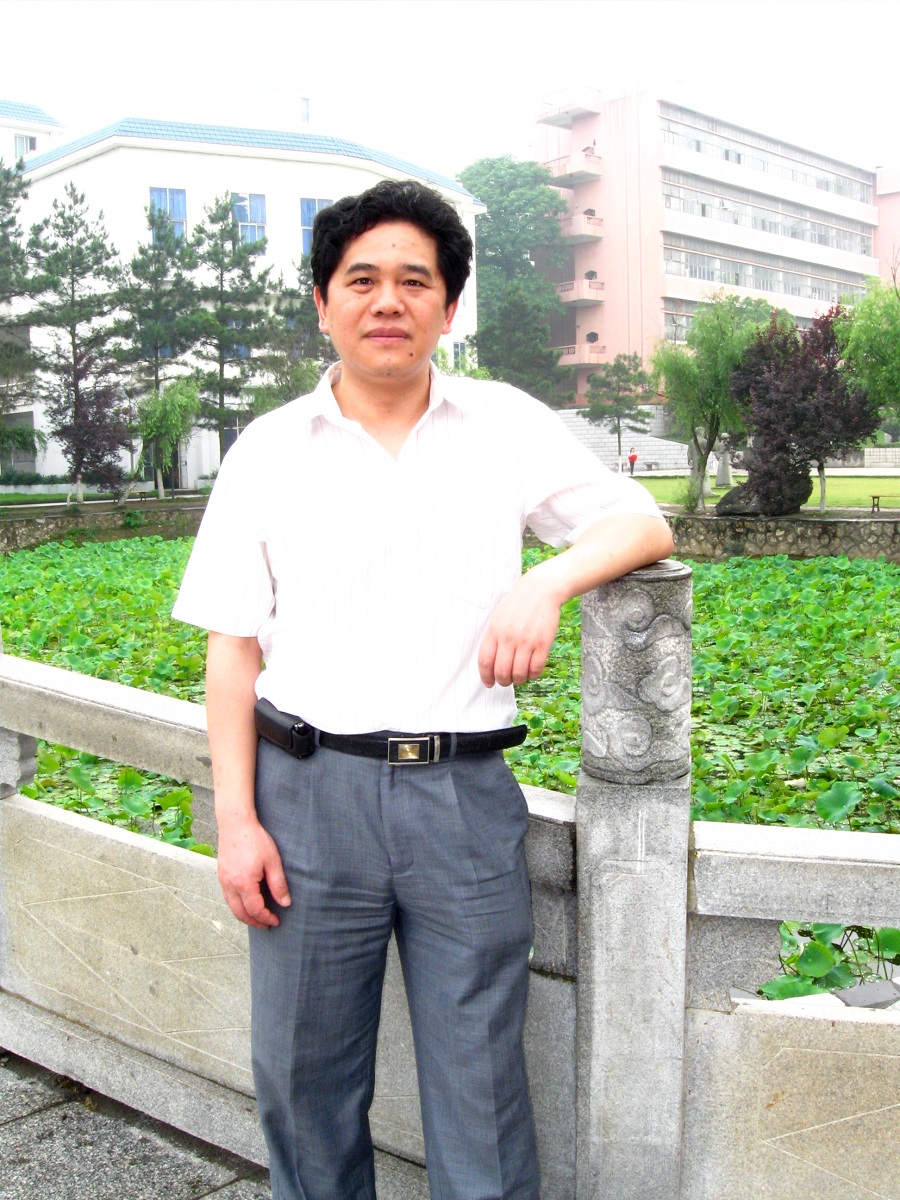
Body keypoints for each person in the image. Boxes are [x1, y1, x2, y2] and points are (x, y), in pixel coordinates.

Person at [173, 179, 673, 1200]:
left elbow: (641, 523)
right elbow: (232, 647)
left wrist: (544, 581)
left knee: (481, 1091)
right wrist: (237, 822)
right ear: (323, 303)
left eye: (415, 280)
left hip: (462, 800)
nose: (387, 301)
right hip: (307, 798)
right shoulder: (268, 449)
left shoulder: (502, 424)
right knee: (303, 1082)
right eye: (361, 280)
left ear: (448, 306)